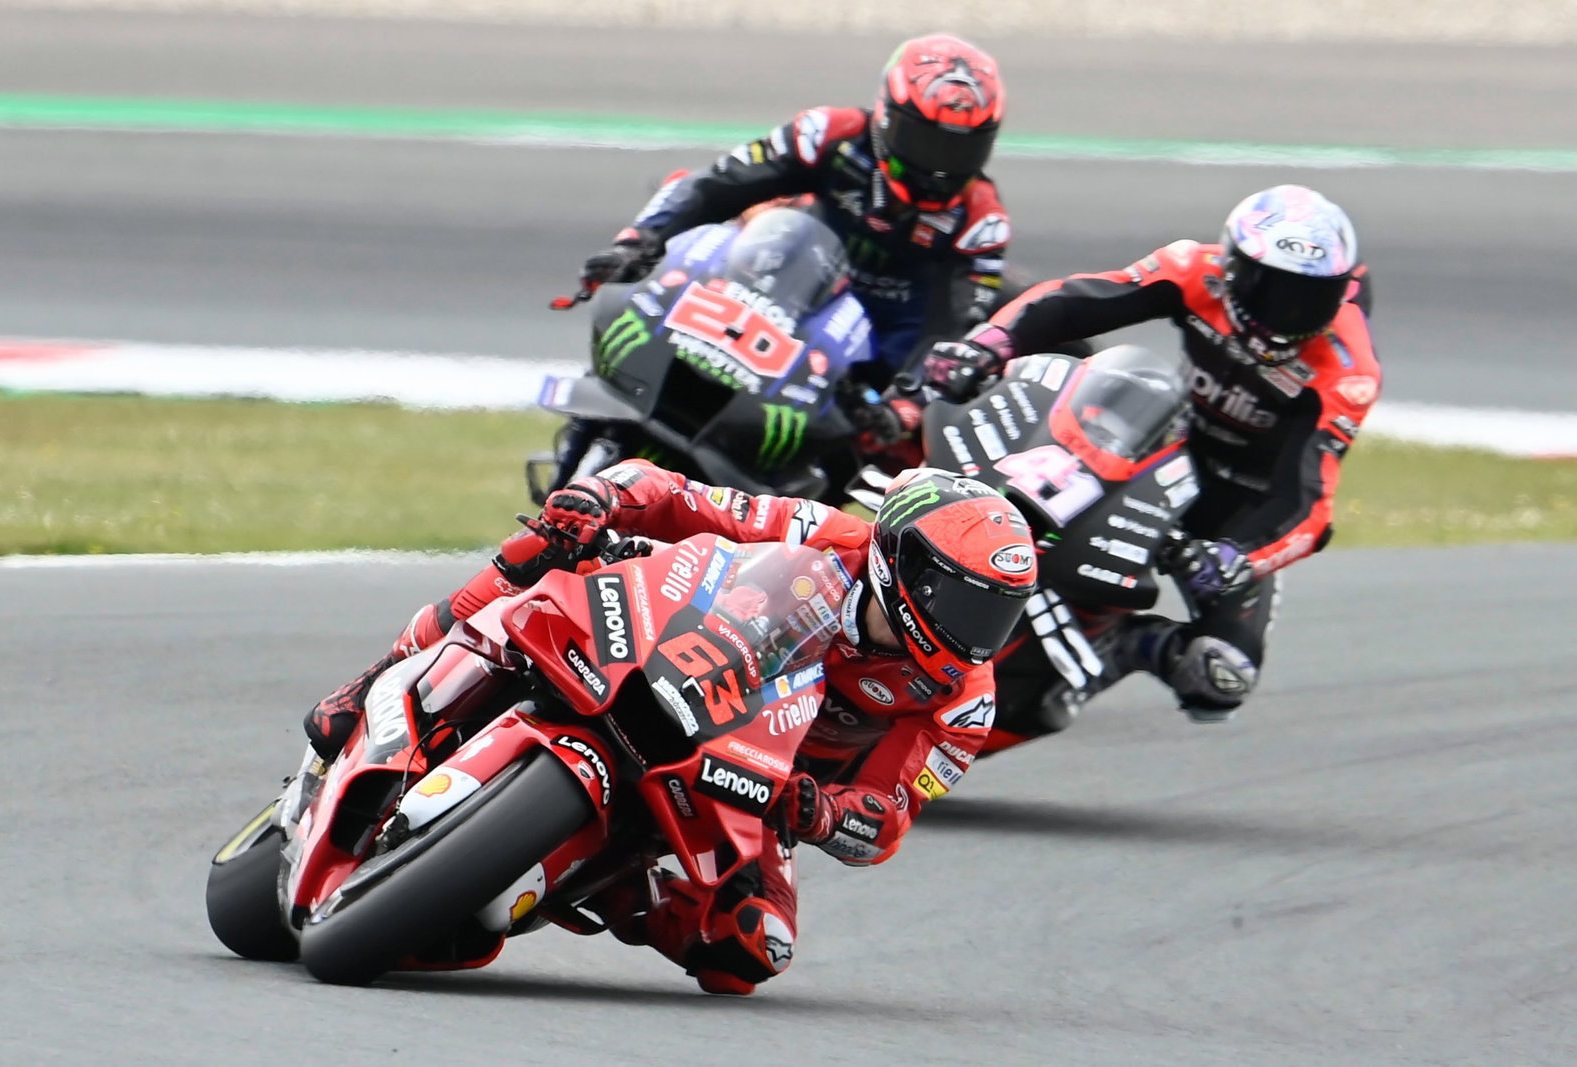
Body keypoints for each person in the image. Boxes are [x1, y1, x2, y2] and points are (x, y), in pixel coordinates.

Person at [305, 461, 1038, 994]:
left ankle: (610, 885)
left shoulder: (962, 700)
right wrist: (601, 497)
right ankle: (374, 679)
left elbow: (888, 816)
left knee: (753, 947)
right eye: (969, 603)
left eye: (1000, 613)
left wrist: (822, 811)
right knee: (548, 547)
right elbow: (679, 496)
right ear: (904, 562)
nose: (981, 634)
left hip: (761, 777)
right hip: (675, 648)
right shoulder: (825, 534)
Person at [917, 183, 1380, 724]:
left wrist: (1239, 557)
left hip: (1237, 506)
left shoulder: (1348, 373)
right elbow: (1074, 302)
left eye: (1310, 298)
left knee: (1221, 675)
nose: (1287, 316)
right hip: (1161, 441)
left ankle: (1125, 643)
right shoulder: (1192, 267)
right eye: (1271, 289)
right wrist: (986, 346)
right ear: (1232, 267)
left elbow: (1308, 507)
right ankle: (938, 488)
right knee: (1066, 367)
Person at [577, 32, 1011, 445]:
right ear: (887, 117)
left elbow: (950, 330)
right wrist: (637, 242)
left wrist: (904, 407)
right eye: (925, 141)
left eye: (960, 150)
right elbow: (718, 184)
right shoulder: (828, 134)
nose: (939, 166)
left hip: (883, 345)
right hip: (791, 292)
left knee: (907, 440)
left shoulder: (982, 219)